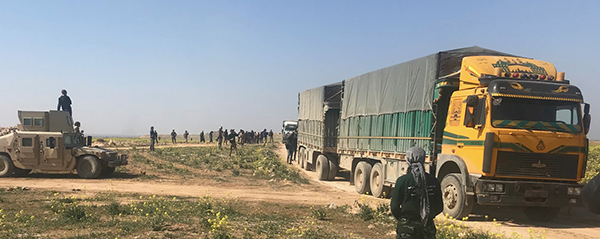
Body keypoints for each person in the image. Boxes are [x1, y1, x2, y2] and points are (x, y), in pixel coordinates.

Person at [390, 147, 443, 239]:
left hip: (407, 229)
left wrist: (404, 219)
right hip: (427, 229)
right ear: (423, 160)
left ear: (408, 160)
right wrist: (427, 217)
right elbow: (439, 207)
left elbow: (394, 207)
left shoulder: (402, 181)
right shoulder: (434, 181)